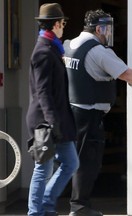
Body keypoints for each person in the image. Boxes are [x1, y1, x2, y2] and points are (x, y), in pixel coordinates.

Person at [63, 9, 132, 216]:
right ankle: (79, 207)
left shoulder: (69, 45)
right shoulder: (99, 51)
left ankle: (70, 204)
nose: (109, 33)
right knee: (88, 163)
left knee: (74, 160)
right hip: (89, 116)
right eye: (108, 28)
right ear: (100, 28)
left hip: (72, 112)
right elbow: (127, 74)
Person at [26, 3, 79, 216]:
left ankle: (46, 205)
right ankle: (35, 212)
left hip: (57, 120)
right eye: (63, 23)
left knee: (71, 163)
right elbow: (43, 92)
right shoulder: (43, 52)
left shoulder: (52, 48)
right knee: (43, 168)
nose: (64, 27)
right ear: (56, 24)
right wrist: (52, 123)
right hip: (45, 121)